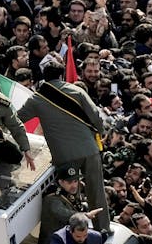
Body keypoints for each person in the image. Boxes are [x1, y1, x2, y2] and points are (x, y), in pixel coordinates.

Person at [18, 56, 108, 230]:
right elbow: (96, 116)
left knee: (70, 193)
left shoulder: (37, 99)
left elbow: (17, 118)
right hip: (89, 149)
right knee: (96, 192)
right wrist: (101, 133)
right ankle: (103, 229)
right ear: (61, 76)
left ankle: (77, 228)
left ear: (44, 76)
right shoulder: (77, 91)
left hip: (64, 155)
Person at [37, 166, 99, 244]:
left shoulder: (67, 192)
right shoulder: (53, 199)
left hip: (65, 238)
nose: (74, 185)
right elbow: (64, 214)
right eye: (69, 182)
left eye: (75, 181)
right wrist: (86, 215)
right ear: (60, 182)